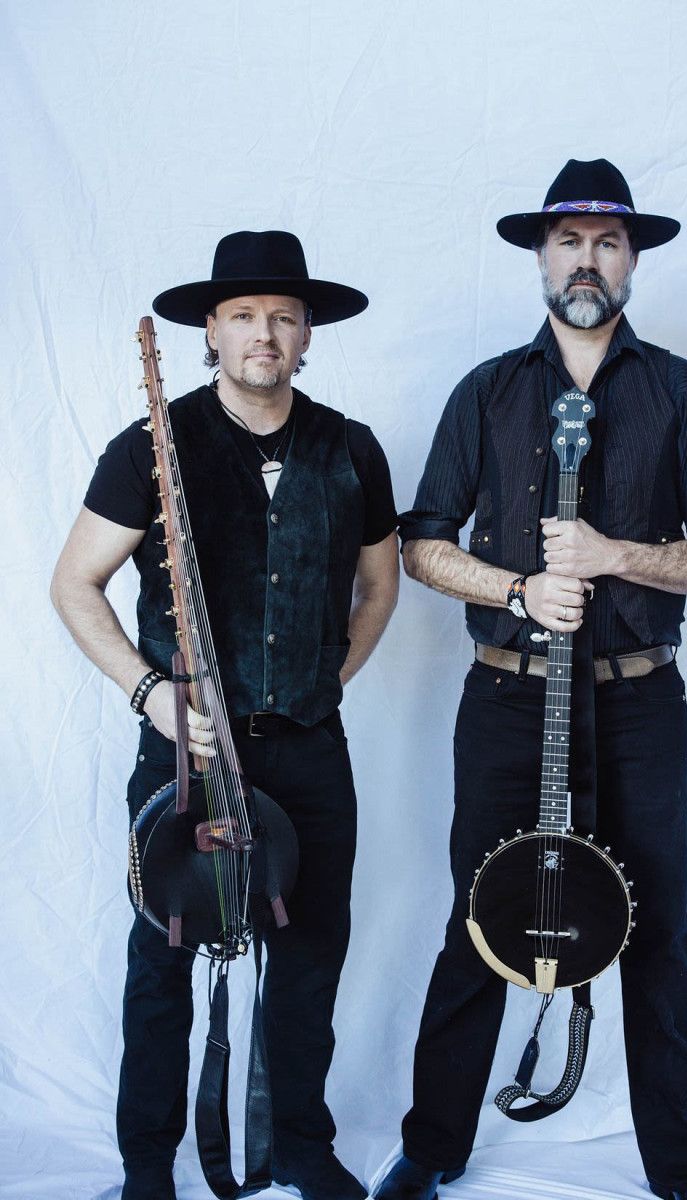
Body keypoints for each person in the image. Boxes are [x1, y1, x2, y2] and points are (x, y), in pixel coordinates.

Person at [376, 160, 687, 1200]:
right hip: (506, 697)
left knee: (659, 933)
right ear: (541, 259)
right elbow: (421, 543)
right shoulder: (487, 391)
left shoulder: (680, 390)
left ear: (631, 261)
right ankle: (431, 1152)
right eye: (570, 242)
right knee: (478, 921)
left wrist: (611, 555)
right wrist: (519, 587)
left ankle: (683, 1175)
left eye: (607, 243)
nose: (588, 260)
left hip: (637, 704)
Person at [50, 230, 399, 1200]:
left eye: (283, 317)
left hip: (308, 748)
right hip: (185, 754)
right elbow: (75, 583)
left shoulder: (350, 448)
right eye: (243, 315)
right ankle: (146, 1166)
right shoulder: (151, 446)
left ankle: (301, 1149)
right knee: (164, 959)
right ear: (210, 330)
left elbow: (378, 586)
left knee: (309, 956)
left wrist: (329, 676)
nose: (264, 334)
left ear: (307, 333)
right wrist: (149, 694)